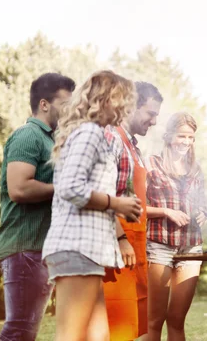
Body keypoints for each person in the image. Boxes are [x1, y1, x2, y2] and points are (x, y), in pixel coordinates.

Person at [42, 70, 143, 341]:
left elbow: (88, 192)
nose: (126, 109)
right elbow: (70, 188)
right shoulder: (89, 134)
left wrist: (117, 212)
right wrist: (117, 203)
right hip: (77, 247)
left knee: (98, 337)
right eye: (123, 100)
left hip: (89, 251)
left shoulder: (92, 133)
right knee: (71, 337)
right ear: (107, 99)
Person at [0, 72, 75, 341]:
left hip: (39, 248)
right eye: (64, 104)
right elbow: (19, 188)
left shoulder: (50, 140)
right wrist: (66, 191)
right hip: (24, 247)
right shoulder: (28, 135)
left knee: (26, 331)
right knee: (19, 330)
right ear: (44, 104)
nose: (68, 111)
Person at [103, 81, 163, 341]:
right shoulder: (111, 137)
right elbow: (103, 194)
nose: (153, 121)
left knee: (135, 327)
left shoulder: (134, 146)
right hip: (118, 247)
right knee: (117, 327)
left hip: (136, 247)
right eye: (150, 114)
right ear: (131, 107)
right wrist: (120, 238)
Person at [145, 111, 207, 341]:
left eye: (191, 137)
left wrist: (202, 214)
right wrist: (166, 212)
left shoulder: (196, 168)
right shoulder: (152, 163)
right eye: (182, 136)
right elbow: (137, 207)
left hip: (191, 248)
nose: (186, 142)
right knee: (154, 320)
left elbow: (203, 204)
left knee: (177, 319)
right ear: (170, 135)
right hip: (159, 245)